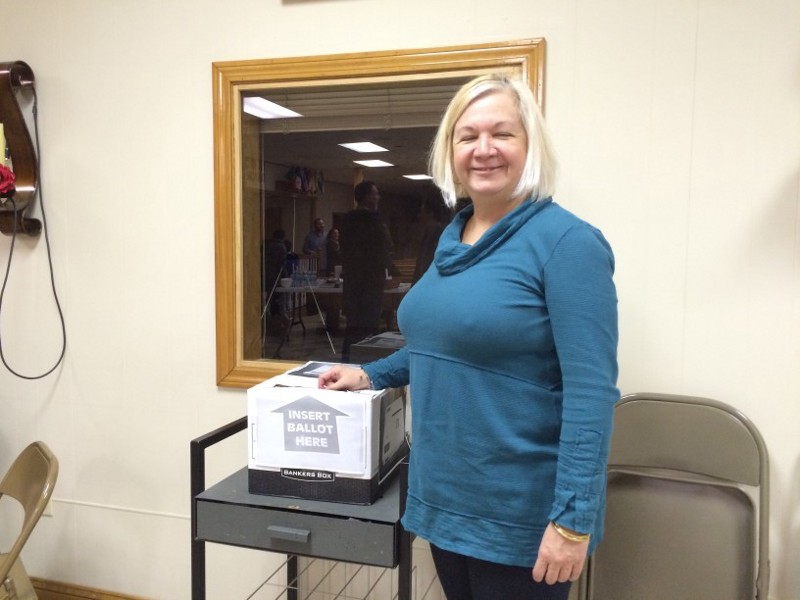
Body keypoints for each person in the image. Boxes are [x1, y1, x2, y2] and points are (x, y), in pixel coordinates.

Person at [318, 74, 618, 600]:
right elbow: (441, 346)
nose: (484, 149)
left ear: (531, 146)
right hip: (442, 497)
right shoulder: (451, 237)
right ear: (449, 150)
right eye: (467, 135)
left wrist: (573, 520)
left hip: (519, 518)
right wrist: (370, 374)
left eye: (502, 134)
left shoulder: (568, 243)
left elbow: (591, 394)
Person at [338, 180, 394, 361]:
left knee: (352, 325)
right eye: (375, 194)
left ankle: (347, 360)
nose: (378, 197)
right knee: (369, 324)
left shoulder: (346, 220)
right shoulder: (374, 220)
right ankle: (367, 364)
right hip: (371, 281)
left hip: (353, 280)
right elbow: (386, 246)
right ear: (367, 197)